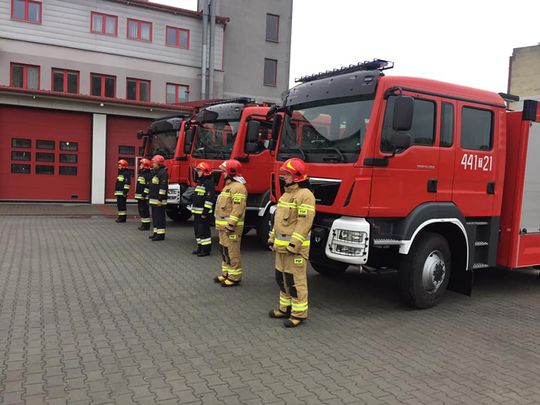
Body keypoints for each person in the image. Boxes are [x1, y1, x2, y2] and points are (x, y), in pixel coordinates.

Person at [268, 158, 315, 328]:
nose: (284, 177)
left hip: (295, 250)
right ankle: (285, 308)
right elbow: (278, 221)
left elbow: (304, 223)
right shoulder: (286, 195)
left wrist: (293, 245)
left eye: (287, 174)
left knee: (295, 281)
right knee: (281, 279)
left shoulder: (305, 196)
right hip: (281, 247)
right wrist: (272, 238)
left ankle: (298, 314)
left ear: (297, 176)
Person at [213, 159, 247, 287]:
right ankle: (226, 273)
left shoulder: (238, 188)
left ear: (231, 172)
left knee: (232, 252)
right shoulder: (228, 187)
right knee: (224, 251)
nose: (223, 173)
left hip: (231, 228)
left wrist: (231, 225)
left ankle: (234, 277)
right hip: (223, 227)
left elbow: (237, 209)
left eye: (224, 171)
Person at [191, 161, 215, 257]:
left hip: (204, 213)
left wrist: (205, 212)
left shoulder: (208, 183)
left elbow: (209, 199)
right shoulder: (200, 182)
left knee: (204, 231)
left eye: (200, 171)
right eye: (198, 171)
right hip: (197, 213)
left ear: (205, 172)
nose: (198, 172)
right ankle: (200, 247)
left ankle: (206, 250)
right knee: (197, 231)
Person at [148, 155, 168, 241]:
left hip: (159, 201)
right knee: (155, 218)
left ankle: (160, 234)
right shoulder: (156, 172)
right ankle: (156, 232)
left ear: (159, 163)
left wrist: (160, 199)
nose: (153, 164)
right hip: (154, 200)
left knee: (160, 218)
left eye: (154, 163)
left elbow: (163, 187)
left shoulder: (163, 173)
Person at [134, 158, 153, 231]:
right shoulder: (142, 174)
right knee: (141, 211)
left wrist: (144, 195)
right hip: (140, 197)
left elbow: (148, 186)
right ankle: (143, 224)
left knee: (144, 211)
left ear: (146, 166)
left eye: (141, 164)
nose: (140, 166)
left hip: (143, 197)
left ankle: (146, 226)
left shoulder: (148, 175)